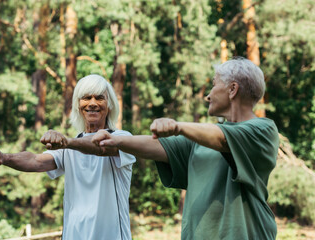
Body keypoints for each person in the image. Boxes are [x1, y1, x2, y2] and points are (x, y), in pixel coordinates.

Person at [92, 57, 279, 240]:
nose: (208, 95)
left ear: (232, 89)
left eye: (214, 85)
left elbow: (222, 140)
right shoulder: (200, 140)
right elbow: (155, 145)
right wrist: (116, 140)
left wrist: (177, 126)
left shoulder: (262, 130)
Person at [0, 74, 136, 240]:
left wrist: (66, 142)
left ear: (110, 105)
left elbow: (102, 147)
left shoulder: (122, 138)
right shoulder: (69, 146)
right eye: (86, 98)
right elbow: (35, 161)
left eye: (99, 98)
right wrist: (5, 158)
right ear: (78, 105)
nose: (92, 103)